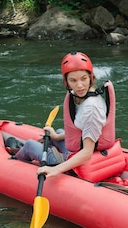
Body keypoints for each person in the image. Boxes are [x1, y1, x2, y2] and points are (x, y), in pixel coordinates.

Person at [14, 51, 119, 180]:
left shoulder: (91, 109)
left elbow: (87, 152)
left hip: (81, 160)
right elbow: (82, 131)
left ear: (91, 78)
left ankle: (13, 162)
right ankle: (39, 149)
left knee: (30, 145)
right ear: (67, 82)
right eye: (73, 80)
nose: (79, 85)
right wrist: (57, 137)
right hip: (81, 150)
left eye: (83, 79)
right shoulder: (86, 96)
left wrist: (55, 169)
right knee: (59, 132)